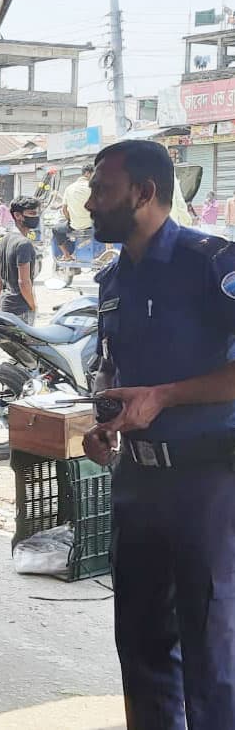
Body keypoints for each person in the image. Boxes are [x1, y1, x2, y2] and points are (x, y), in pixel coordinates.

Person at [81, 139, 235, 730]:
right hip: (138, 483)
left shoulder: (210, 262)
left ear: (144, 193)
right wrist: (106, 423)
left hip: (207, 483)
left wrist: (164, 397)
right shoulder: (114, 278)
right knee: (140, 645)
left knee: (210, 649)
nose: (90, 202)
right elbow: (117, 369)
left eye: (101, 189)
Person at [0, 197, 40, 324]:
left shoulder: (5, 239)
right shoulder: (24, 244)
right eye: (31, 213)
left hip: (5, 305)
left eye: (36, 213)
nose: (36, 217)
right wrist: (33, 306)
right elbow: (24, 282)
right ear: (17, 215)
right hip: (20, 310)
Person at [60, 165, 94, 261]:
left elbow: (64, 209)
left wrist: (70, 220)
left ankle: (66, 255)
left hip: (75, 225)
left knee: (56, 230)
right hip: (91, 225)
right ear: (88, 173)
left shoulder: (69, 188)